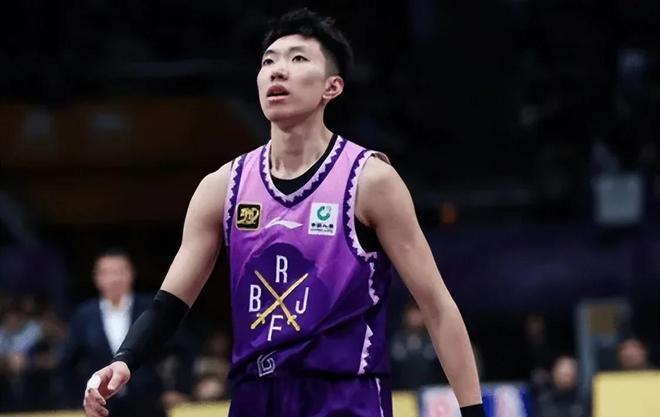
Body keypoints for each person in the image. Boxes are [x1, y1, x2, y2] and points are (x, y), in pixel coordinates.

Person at [82, 8, 485, 417]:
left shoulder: (370, 180)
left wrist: (472, 412)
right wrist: (125, 359)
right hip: (256, 397)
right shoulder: (221, 187)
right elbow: (169, 304)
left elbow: (436, 305)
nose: (277, 70)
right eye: (268, 61)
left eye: (298, 59)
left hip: (346, 397)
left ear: (332, 86)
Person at [63, 248, 191, 417]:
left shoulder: (151, 309)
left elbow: (184, 348)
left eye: (119, 272)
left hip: (150, 403)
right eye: (106, 273)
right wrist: (77, 398)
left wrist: (179, 388)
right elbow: (67, 362)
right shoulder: (84, 315)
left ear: (131, 274)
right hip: (104, 407)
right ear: (96, 277)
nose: (114, 279)